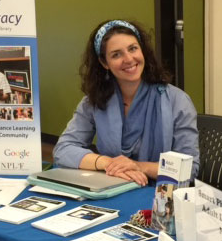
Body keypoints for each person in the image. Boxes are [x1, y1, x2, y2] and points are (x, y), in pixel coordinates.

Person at [53, 19, 199, 186]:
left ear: (142, 50)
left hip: (160, 195)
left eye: (133, 49)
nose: (129, 59)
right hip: (113, 186)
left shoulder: (177, 100)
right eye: (116, 54)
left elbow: (189, 168)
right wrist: (109, 163)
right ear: (104, 63)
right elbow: (63, 150)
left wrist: (138, 166)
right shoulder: (94, 100)